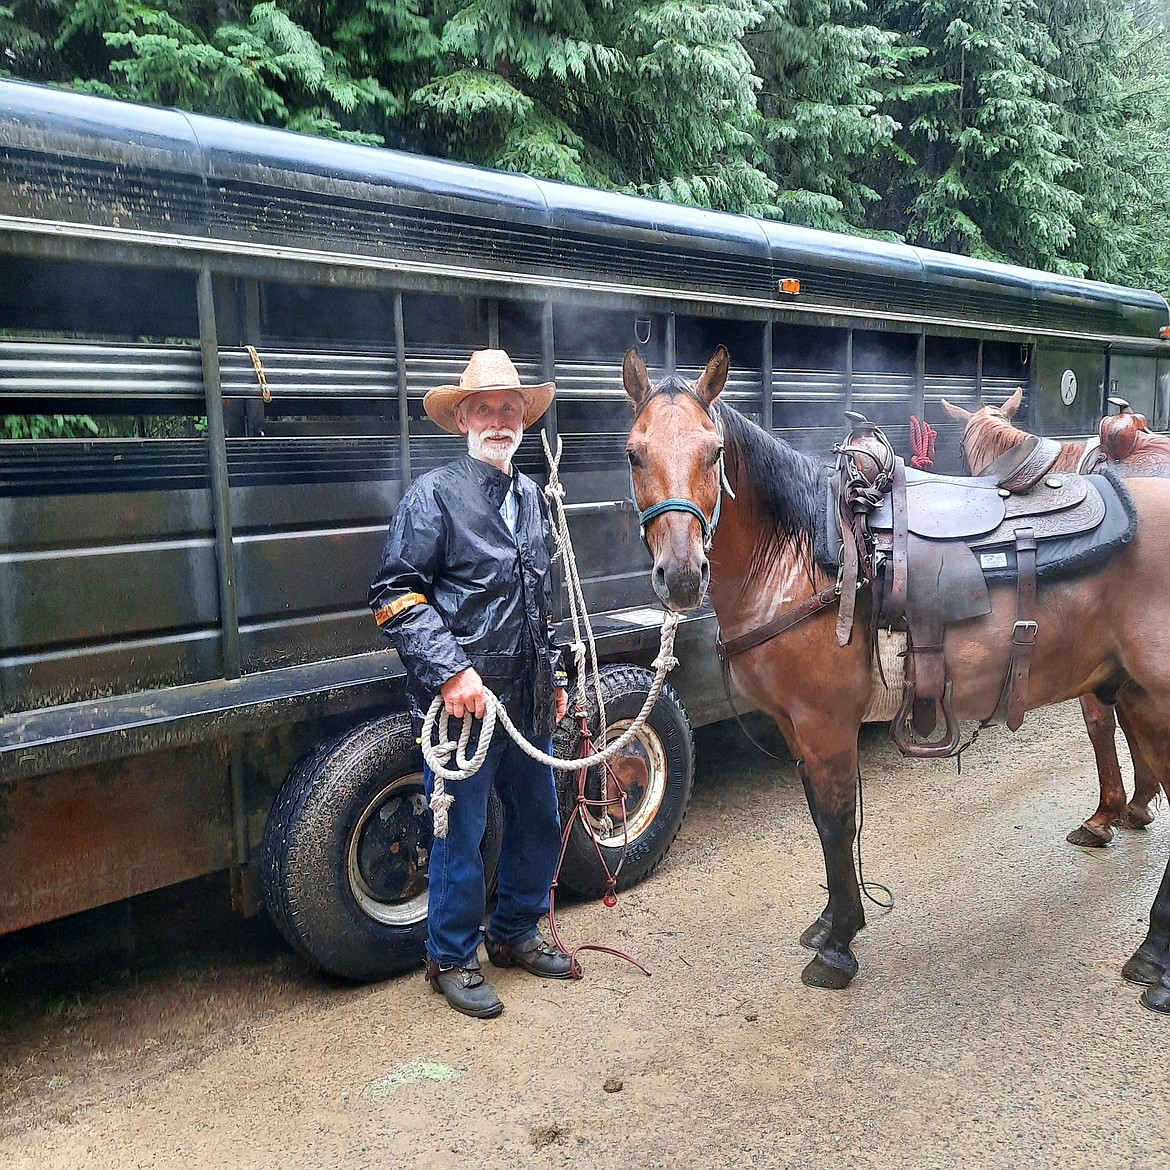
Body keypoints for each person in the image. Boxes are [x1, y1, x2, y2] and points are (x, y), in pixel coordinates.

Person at [369, 349, 573, 1019]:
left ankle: (513, 932)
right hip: (464, 711)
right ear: (461, 419)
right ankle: (451, 956)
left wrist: (560, 675)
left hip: (527, 704)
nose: (497, 418)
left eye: (509, 407)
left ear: (524, 419)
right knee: (460, 835)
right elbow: (395, 596)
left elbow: (543, 600)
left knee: (540, 821)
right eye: (483, 407)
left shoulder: (530, 495)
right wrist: (451, 672)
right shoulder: (431, 497)